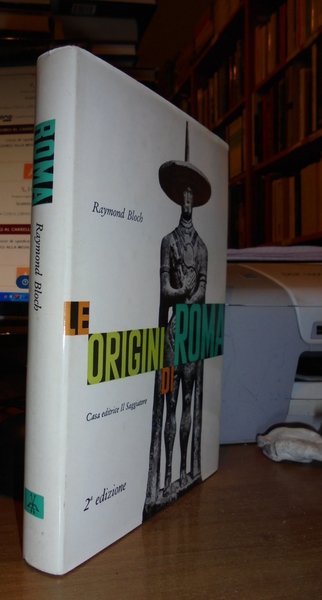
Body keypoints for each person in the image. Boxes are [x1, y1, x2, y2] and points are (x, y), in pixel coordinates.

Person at [144, 125, 211, 519]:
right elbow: (163, 290)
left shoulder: (201, 247)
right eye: (182, 194)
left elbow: (202, 288)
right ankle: (165, 477)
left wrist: (189, 293)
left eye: (191, 195)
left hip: (192, 333)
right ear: (177, 198)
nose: (186, 200)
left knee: (190, 403)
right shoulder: (168, 242)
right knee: (168, 404)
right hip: (171, 334)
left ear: (195, 201)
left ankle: (187, 471)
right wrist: (179, 290)